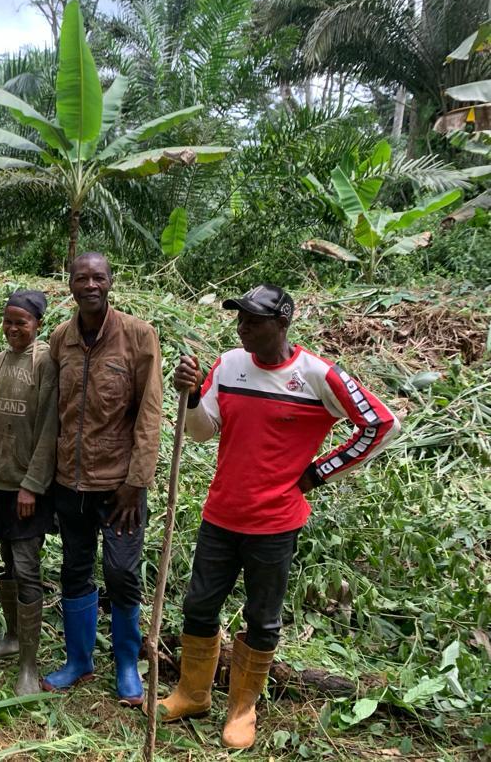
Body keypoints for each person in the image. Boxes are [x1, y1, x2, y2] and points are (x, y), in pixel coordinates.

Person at [159, 284, 400, 749]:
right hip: (221, 513)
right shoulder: (229, 365)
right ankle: (193, 693)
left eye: (253, 320)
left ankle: (242, 708)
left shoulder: (316, 375)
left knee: (262, 617)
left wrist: (320, 472)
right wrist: (189, 398)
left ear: (282, 324)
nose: (242, 327)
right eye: (240, 318)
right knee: (198, 606)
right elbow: (203, 433)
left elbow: (381, 422)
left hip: (274, 523)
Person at [42, 252, 163, 707]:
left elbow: (150, 414)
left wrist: (136, 481)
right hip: (69, 483)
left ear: (111, 282)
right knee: (74, 569)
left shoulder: (138, 336)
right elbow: (53, 413)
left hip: (120, 487)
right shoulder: (61, 340)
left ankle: (128, 663)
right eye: (81, 278)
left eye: (98, 277)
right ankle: (79, 660)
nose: (90, 284)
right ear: (69, 283)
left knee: (120, 572)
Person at [0, 290, 58, 695]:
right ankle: (10, 636)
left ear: (37, 324)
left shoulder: (44, 363)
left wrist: (32, 485)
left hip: (29, 487)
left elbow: (48, 431)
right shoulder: (0, 361)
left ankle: (29, 663)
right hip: (0, 481)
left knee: (27, 569)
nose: (13, 329)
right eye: (8, 321)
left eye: (21, 322)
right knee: (7, 562)